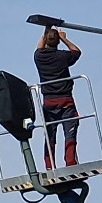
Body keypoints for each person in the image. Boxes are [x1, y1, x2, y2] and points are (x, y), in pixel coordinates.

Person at [34, 25, 82, 169]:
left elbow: (39, 47)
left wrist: (46, 30)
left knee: (50, 136)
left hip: (48, 102)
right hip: (66, 101)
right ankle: (71, 163)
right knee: (70, 133)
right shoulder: (62, 56)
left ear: (45, 40)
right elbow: (76, 51)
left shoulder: (39, 57)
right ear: (58, 42)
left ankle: (49, 167)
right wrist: (64, 38)